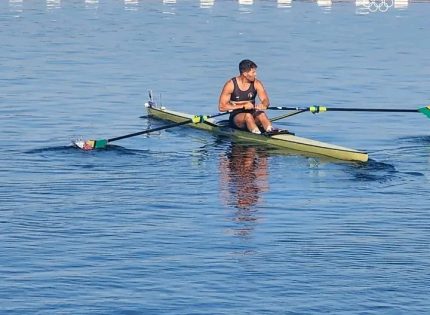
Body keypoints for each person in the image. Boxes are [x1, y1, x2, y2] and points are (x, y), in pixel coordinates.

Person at [218, 59, 275, 134]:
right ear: (245, 73)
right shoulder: (230, 84)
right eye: (253, 72)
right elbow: (222, 107)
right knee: (248, 116)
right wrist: (242, 106)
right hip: (236, 118)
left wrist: (263, 104)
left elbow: (265, 100)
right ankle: (257, 135)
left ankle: (272, 132)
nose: (255, 74)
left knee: (261, 114)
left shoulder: (257, 83)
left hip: (252, 114)